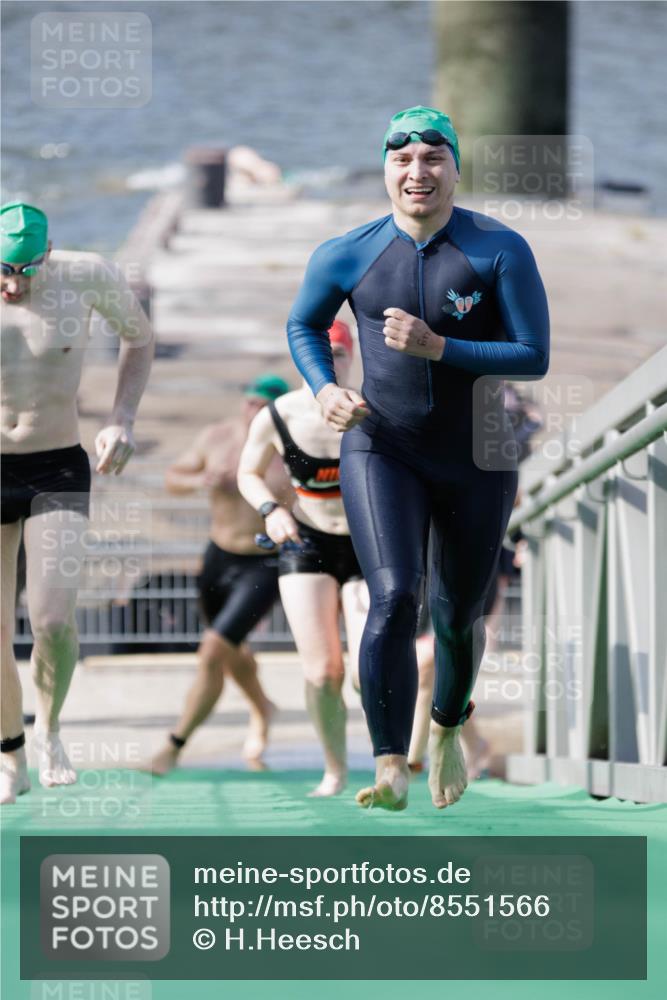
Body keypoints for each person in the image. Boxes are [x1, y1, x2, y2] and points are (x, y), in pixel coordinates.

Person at [287, 106, 550, 811]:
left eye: (433, 159)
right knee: (394, 597)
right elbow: (304, 322)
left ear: (454, 169)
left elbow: (533, 355)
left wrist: (442, 348)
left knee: (458, 614)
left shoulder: (499, 249)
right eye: (402, 160)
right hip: (383, 446)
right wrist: (322, 389)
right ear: (384, 170)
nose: (417, 172)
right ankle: (387, 764)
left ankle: (445, 730)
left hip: (476, 454)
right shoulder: (347, 251)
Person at [1, 201, 154, 804]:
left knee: (53, 620)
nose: (13, 284)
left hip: (54, 464)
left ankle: (51, 730)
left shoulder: (86, 275)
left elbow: (139, 340)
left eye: (26, 271)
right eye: (2, 270)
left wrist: (121, 418)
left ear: (48, 255)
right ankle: (10, 751)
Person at [237, 321, 368, 797]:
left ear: (353, 355)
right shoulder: (279, 415)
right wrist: (270, 510)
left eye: (339, 351)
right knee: (322, 671)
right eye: (321, 351)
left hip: (367, 545)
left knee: (363, 668)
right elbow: (248, 473)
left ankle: (392, 757)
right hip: (307, 541)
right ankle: (335, 769)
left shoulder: (376, 407)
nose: (332, 360)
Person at [148, 374, 293, 776]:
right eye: (249, 403)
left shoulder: (290, 448)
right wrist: (202, 479)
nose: (253, 412)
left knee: (213, 650)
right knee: (229, 651)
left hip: (265, 562)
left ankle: (173, 746)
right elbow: (172, 479)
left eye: (263, 407)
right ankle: (263, 707)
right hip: (218, 557)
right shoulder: (216, 437)